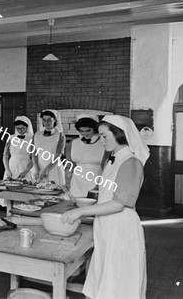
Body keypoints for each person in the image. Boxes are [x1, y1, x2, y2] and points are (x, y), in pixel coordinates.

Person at [61, 115, 148, 299]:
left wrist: (81, 211)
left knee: (118, 280)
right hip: (108, 225)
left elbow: (118, 203)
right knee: (105, 277)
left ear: (120, 135)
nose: (101, 141)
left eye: (104, 136)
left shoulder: (131, 162)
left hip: (121, 227)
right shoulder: (113, 159)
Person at [64, 114, 106, 198]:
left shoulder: (103, 143)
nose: (85, 134)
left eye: (88, 131)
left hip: (96, 180)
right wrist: (67, 181)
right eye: (81, 131)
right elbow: (69, 165)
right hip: (76, 182)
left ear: (94, 129)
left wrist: (99, 184)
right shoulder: (74, 142)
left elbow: (106, 167)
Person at [30, 109, 66, 185]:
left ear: (55, 120)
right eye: (44, 120)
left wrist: (46, 170)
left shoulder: (60, 135)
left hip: (54, 168)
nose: (47, 122)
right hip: (39, 168)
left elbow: (58, 155)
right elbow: (34, 153)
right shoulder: (36, 135)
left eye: (49, 120)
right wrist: (37, 169)